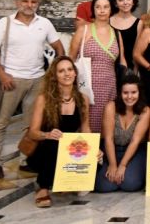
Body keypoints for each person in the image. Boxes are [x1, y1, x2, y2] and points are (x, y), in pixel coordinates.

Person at [0, 0, 65, 179]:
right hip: (12, 79)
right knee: (1, 122)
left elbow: (59, 47)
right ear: (17, 2)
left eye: (33, 1)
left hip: (37, 79)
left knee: (31, 124)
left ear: (38, 3)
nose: (29, 5)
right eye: (25, 1)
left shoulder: (44, 23)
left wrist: (53, 72)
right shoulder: (5, 24)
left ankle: (26, 160)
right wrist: (2, 75)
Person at [27, 57, 93, 207]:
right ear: (54, 75)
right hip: (43, 150)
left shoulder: (83, 99)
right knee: (53, 144)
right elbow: (33, 133)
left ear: (75, 74)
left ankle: (61, 179)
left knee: (95, 159)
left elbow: (85, 128)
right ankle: (42, 187)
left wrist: (93, 148)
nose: (66, 74)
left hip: (66, 151)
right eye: (61, 71)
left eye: (70, 69)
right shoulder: (44, 99)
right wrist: (47, 134)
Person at [69, 0, 127, 133]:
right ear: (93, 10)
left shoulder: (116, 33)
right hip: (86, 88)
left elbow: (122, 61)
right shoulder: (84, 30)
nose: (102, 10)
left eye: (106, 7)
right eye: (98, 7)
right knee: (85, 127)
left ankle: (103, 154)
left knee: (106, 129)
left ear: (111, 9)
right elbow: (70, 59)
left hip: (109, 88)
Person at [94, 74, 150, 192]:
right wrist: (113, 164)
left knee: (130, 184)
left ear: (139, 93)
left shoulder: (145, 111)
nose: (129, 96)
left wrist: (122, 166)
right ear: (120, 93)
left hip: (134, 152)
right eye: (125, 93)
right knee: (104, 186)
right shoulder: (111, 107)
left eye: (133, 92)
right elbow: (108, 139)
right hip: (111, 150)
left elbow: (135, 141)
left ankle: (129, 171)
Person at [110, 0, 143, 70]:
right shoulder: (108, 21)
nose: (125, 3)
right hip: (109, 66)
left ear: (133, 2)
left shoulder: (139, 23)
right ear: (115, 4)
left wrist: (135, 71)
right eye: (121, 0)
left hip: (130, 68)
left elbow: (137, 51)